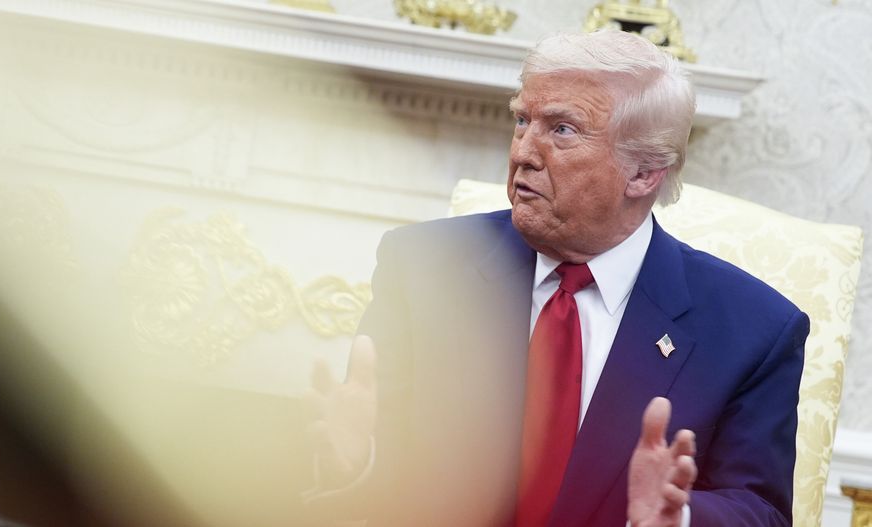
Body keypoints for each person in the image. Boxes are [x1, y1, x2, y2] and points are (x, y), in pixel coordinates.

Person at [306, 30, 808, 527]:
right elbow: (377, 455)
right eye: (522, 121)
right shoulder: (424, 267)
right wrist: (355, 465)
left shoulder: (753, 331)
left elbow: (759, 511)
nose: (523, 152)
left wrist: (680, 519)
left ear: (644, 173)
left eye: (562, 129)